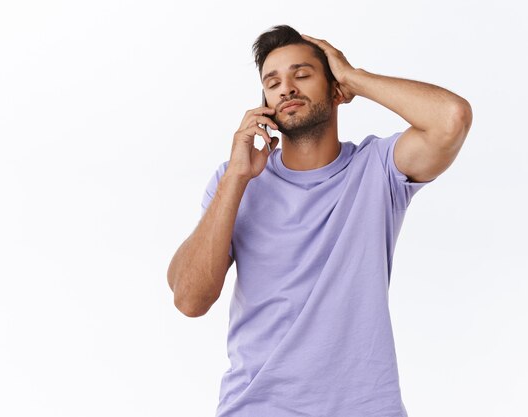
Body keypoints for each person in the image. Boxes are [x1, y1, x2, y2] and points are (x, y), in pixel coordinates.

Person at [167, 25, 472, 417]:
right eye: (272, 82)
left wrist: (353, 77)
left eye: (303, 74)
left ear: (334, 90)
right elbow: (189, 300)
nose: (286, 88)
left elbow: (452, 118)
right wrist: (236, 179)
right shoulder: (236, 181)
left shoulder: (377, 169)